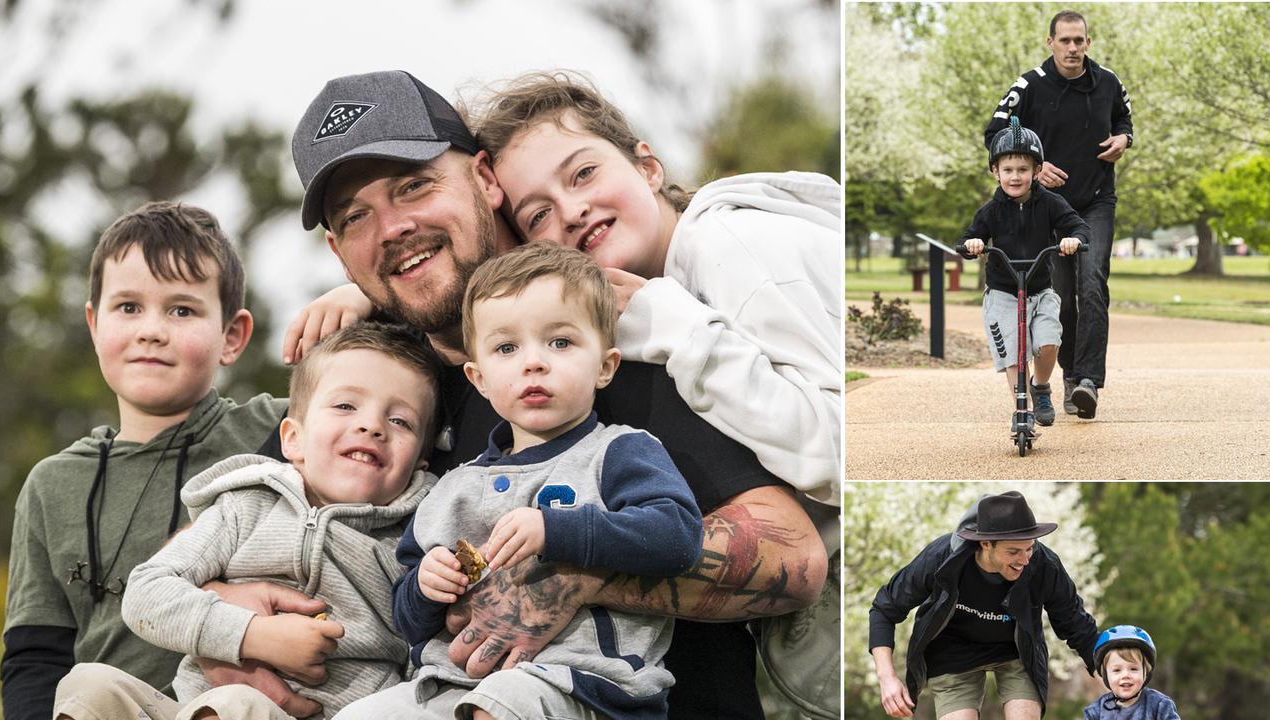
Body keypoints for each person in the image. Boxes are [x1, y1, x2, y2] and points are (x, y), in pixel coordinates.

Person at [279, 69, 827, 719]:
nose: (394, 227)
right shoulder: (364, 374)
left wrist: (579, 571)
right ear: (343, 255)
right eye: (358, 216)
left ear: (485, 181)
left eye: (414, 187)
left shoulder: (602, 340)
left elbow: (792, 557)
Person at [339, 243, 703, 719]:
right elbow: (408, 622)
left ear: (605, 366)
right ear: (479, 377)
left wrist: (557, 530)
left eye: (560, 342)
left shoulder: (619, 452)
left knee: (501, 705)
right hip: (451, 682)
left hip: (584, 685)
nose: (533, 362)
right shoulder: (453, 487)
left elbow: (677, 536)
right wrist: (426, 586)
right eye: (507, 348)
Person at [472, 71, 841, 507]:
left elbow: (841, 455)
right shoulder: (652, 291)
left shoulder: (731, 247)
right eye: (538, 215)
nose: (571, 211)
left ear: (647, 168)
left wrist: (673, 327)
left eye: (583, 173)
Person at [52, 322, 443, 720]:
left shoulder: (414, 541)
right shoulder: (245, 506)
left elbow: (425, 657)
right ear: (292, 439)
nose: (372, 425)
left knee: (239, 703)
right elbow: (146, 594)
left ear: (419, 463)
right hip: (194, 709)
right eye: (345, 406)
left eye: (400, 422)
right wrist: (253, 635)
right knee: (88, 685)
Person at [0, 202, 287, 720]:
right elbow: (36, 657)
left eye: (182, 310)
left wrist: (356, 298)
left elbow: (382, 386)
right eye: (128, 307)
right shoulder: (52, 485)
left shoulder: (282, 432)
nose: (152, 329)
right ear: (94, 323)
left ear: (232, 336)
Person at [984, 9, 1134, 420]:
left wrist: (1124, 138)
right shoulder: (1028, 86)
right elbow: (994, 132)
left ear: (1088, 42)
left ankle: (1087, 381)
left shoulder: (1107, 81)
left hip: (1097, 200)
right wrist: (1036, 164)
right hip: (1050, 209)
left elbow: (1124, 118)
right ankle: (1067, 377)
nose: (1072, 48)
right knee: (1061, 298)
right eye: (1064, 40)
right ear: (1050, 42)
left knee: (1093, 284)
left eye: (1079, 40)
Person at [868, 490, 1100, 720]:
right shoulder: (941, 559)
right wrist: (887, 678)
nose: (1024, 560)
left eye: (1029, 548)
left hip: (1016, 651)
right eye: (1013, 551)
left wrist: (1109, 670)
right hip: (952, 651)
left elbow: (1075, 623)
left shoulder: (1043, 565)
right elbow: (884, 609)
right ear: (986, 543)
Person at [961, 117, 1090, 428]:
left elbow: (1077, 225)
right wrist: (973, 244)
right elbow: (967, 238)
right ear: (996, 172)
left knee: (1048, 343)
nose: (1015, 177)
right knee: (1014, 356)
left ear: (1036, 171)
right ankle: (1023, 409)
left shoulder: (1051, 204)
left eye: (1023, 170)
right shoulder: (991, 211)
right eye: (1008, 170)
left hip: (1040, 290)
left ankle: (1041, 386)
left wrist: (1074, 239)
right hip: (1003, 293)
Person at [1084, 625, 1181, 720]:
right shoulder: (1096, 712)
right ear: (1105, 675)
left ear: (1145, 672)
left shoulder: (1160, 706)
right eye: (1117, 670)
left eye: (1133, 669)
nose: (1126, 675)